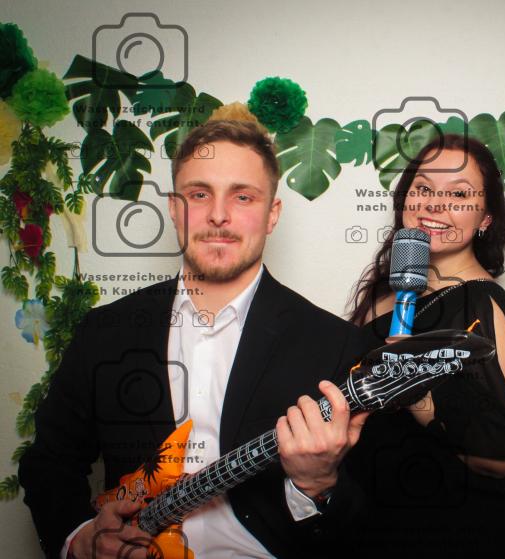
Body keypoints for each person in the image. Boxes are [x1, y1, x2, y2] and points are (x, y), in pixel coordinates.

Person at [19, 116, 372, 559]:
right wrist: (79, 537)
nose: (219, 215)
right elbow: (50, 462)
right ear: (173, 208)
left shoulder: (335, 344)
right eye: (199, 194)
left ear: (272, 214)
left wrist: (317, 484)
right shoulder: (104, 331)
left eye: (242, 196)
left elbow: (369, 519)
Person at [345, 134, 505, 558]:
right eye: (424, 188)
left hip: (447, 533)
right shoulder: (384, 294)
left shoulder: (482, 304)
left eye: (459, 194)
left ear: (486, 218)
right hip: (370, 523)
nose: (435, 204)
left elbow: (501, 457)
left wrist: (412, 390)